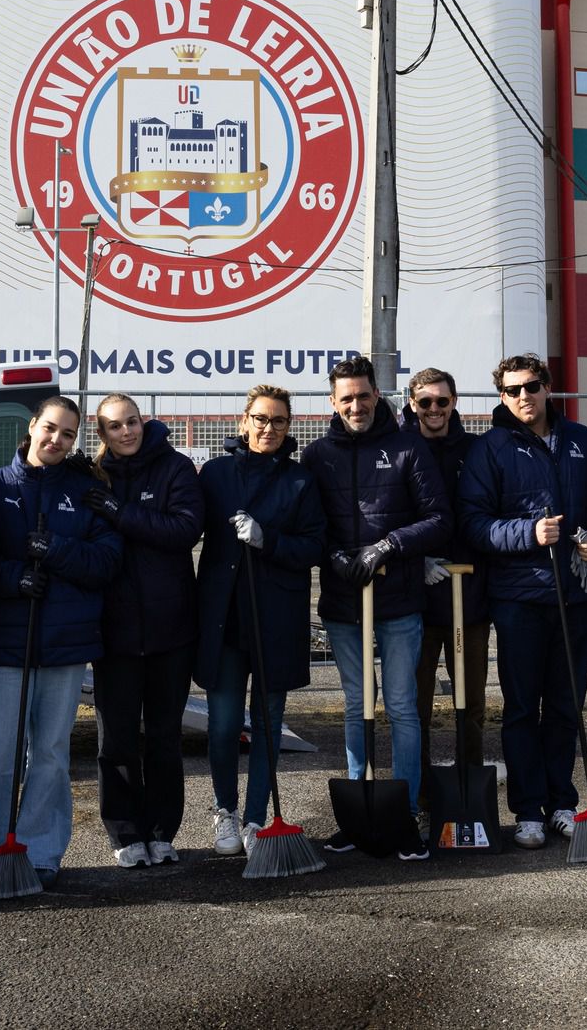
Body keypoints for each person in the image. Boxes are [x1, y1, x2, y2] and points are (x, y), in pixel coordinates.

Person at [457, 353, 587, 850]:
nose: (524, 396)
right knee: (522, 709)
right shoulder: (490, 449)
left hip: (577, 596)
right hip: (519, 600)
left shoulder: (583, 442)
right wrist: (527, 531)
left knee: (566, 706)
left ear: (548, 388)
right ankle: (527, 811)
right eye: (513, 389)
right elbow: (474, 525)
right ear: (502, 396)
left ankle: (562, 802)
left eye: (533, 386)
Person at [0, 397, 121, 890]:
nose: (56, 440)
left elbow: (105, 563)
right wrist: (14, 578)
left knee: (51, 753)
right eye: (50, 429)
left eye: (68, 434)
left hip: (65, 643)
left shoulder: (85, 493)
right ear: (31, 427)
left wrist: (54, 550)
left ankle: (41, 850)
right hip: (4, 644)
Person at [304, 355, 450, 858]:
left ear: (376, 395)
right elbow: (312, 524)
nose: (356, 405)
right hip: (344, 601)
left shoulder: (407, 447)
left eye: (363, 395)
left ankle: (405, 811)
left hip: (399, 598)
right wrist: (336, 555)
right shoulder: (318, 454)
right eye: (346, 398)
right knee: (354, 704)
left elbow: (437, 519)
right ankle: (359, 809)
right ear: (333, 401)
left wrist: (387, 546)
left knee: (403, 706)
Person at [195, 384, 326, 855]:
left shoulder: (299, 481)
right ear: (243, 420)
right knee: (225, 725)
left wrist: (267, 539)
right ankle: (224, 811)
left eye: (280, 421)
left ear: (290, 427)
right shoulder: (214, 474)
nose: (269, 429)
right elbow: (186, 524)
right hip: (224, 620)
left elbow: (313, 546)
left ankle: (255, 820)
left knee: (268, 725)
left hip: (275, 620)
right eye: (262, 419)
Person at [85, 394, 204, 868]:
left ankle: (161, 831)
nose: (126, 432)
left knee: (163, 736)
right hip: (113, 631)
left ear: (144, 421)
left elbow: (184, 529)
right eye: (114, 427)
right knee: (114, 739)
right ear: (104, 435)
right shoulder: (94, 475)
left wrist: (119, 512)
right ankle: (125, 831)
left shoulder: (175, 468)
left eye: (131, 421)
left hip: (170, 628)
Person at [403, 367, 488, 789]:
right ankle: (418, 794)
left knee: (470, 704)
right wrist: (413, 560)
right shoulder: (400, 449)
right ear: (411, 403)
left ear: (454, 403)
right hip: (413, 602)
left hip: (468, 598)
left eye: (442, 401)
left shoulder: (475, 450)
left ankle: (468, 786)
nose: (434, 409)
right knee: (413, 707)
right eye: (425, 402)